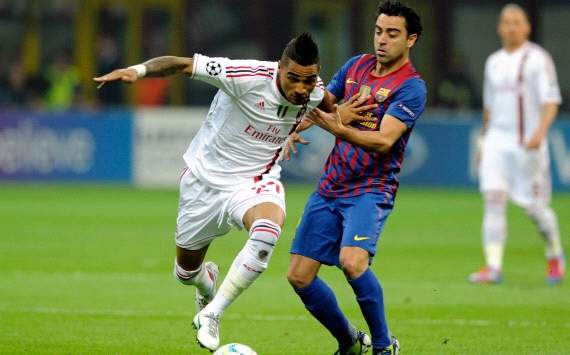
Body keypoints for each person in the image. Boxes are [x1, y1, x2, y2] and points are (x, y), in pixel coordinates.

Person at [94, 33, 330, 351]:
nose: (301, 89)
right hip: (203, 183)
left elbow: (326, 105)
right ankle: (205, 281)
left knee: (268, 231)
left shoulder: (314, 92)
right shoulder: (245, 75)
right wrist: (137, 71)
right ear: (279, 69)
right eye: (293, 79)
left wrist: (295, 130)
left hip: (255, 182)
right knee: (185, 272)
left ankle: (212, 312)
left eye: (308, 80)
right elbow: (180, 65)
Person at [285, 1, 426, 354]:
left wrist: (337, 126)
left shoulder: (411, 87)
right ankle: (349, 342)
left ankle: (383, 345)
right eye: (379, 31)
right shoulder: (356, 66)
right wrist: (292, 128)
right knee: (299, 276)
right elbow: (321, 104)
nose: (382, 39)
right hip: (331, 185)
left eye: (393, 34)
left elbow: (383, 141)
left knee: (352, 261)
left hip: (371, 189)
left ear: (411, 40)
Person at [468, 4, 565, 285]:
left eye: (517, 22)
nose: (511, 26)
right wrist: (483, 141)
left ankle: (555, 254)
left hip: (527, 146)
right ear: (499, 27)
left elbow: (551, 101)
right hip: (497, 142)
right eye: (506, 22)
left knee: (535, 208)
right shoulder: (493, 62)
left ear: (527, 27)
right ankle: (493, 266)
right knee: (494, 200)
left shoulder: (538, 59)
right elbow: (489, 106)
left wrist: (539, 133)